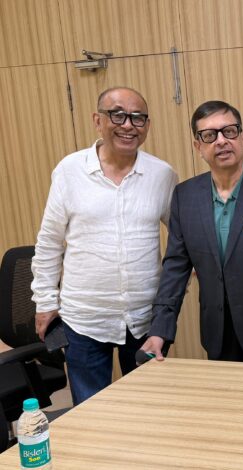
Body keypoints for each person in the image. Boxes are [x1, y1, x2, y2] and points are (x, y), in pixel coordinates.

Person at [31, 87, 178, 405]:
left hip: (144, 318)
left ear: (147, 125)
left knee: (149, 408)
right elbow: (49, 242)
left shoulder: (162, 174)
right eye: (118, 115)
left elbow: (181, 240)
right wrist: (45, 300)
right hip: (84, 319)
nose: (128, 125)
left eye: (137, 117)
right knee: (91, 411)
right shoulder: (70, 171)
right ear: (98, 120)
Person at [141, 101, 243, 372]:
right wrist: (160, 329)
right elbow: (175, 268)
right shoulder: (185, 196)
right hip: (216, 333)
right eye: (209, 135)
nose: (221, 141)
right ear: (198, 146)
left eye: (229, 131)